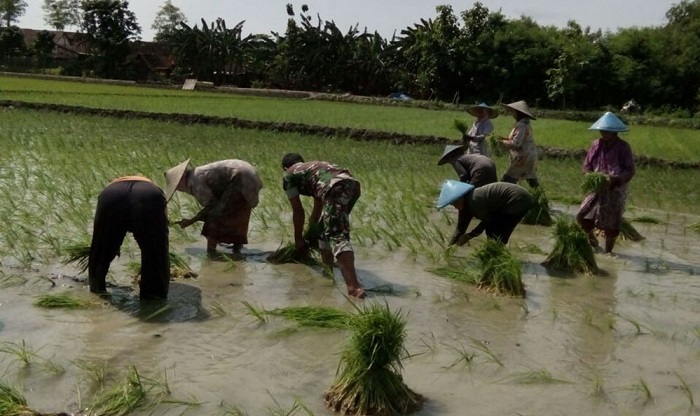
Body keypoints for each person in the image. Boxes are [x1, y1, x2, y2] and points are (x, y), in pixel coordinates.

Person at [281, 153, 365, 298]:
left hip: (336, 188)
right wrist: (311, 231)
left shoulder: (289, 175)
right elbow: (319, 203)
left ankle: (354, 288)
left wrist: (298, 240)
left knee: (337, 234)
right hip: (351, 185)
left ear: (285, 168)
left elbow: (298, 211)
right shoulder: (315, 169)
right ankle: (328, 272)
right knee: (323, 231)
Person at [88, 176, 170, 300]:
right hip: (147, 196)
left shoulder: (112, 185)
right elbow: (163, 227)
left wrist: (112, 242)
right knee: (155, 252)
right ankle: (153, 299)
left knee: (100, 249)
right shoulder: (154, 188)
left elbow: (105, 231)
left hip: (110, 195)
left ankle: (96, 288)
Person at [165, 159, 263, 256]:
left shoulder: (195, 181)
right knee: (237, 213)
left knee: (215, 217)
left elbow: (211, 206)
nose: (179, 190)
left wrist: (191, 221)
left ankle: (211, 254)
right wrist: (194, 219)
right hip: (248, 174)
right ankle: (236, 250)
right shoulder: (196, 174)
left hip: (241, 177)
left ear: (182, 179)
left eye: (177, 186)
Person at [576, 112, 636, 254]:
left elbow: (630, 170)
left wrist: (614, 179)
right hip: (596, 188)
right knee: (582, 215)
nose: (604, 133)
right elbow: (586, 165)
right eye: (602, 131)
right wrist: (589, 175)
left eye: (607, 131)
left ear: (615, 132)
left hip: (615, 189)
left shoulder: (623, 147)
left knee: (611, 222)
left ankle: (608, 252)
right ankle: (591, 237)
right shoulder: (596, 144)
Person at [437, 180, 533, 246]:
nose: (454, 207)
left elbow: (487, 221)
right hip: (514, 199)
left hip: (517, 200)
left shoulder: (474, 201)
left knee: (496, 232)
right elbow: (461, 227)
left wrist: (469, 236)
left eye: (454, 203)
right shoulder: (469, 200)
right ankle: (496, 256)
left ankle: (496, 257)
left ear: (460, 197)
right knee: (493, 232)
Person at [499, 100, 540, 187]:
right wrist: (504, 138)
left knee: (507, 179)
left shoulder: (522, 125)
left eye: (513, 112)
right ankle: (540, 198)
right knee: (531, 178)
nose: (512, 114)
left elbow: (516, 144)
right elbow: (517, 138)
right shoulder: (524, 123)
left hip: (524, 157)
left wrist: (502, 142)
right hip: (529, 155)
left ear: (519, 113)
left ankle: (503, 196)